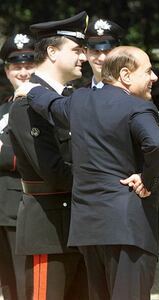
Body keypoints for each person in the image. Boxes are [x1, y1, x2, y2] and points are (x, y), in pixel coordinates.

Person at [19, 46, 159, 300]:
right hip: (128, 229)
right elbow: (155, 143)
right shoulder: (138, 107)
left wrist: (30, 91)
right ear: (126, 75)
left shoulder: (78, 101)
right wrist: (147, 178)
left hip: (88, 230)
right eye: (148, 70)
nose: (154, 77)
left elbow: (51, 104)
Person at [8, 12, 89, 299]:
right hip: (49, 230)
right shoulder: (27, 104)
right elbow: (53, 171)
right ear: (52, 52)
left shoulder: (72, 98)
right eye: (77, 50)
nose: (84, 57)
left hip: (80, 227)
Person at [0, 33, 35, 300]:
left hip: (20, 212)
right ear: (7, 70)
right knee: (8, 288)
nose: (22, 72)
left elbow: (33, 158)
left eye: (28, 65)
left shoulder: (41, 105)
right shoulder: (3, 109)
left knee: (26, 289)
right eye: (16, 66)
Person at [85, 17, 124, 89]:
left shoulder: (132, 93)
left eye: (108, 51)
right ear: (85, 53)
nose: (102, 58)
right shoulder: (79, 96)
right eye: (95, 51)